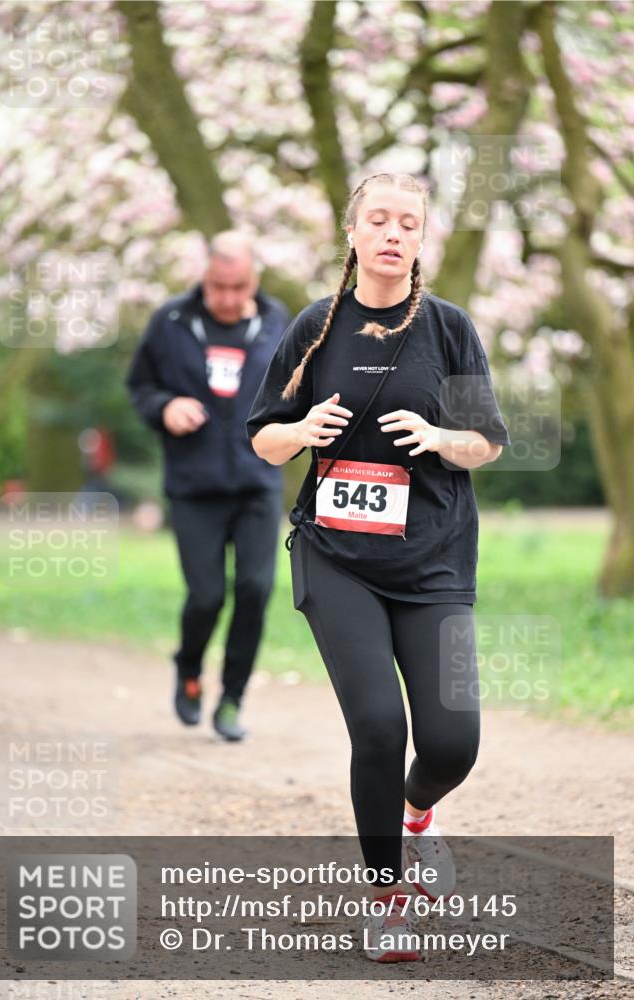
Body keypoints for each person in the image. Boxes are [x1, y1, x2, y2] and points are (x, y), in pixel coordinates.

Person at [247, 173, 510, 961]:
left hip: (432, 560)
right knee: (376, 725)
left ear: (420, 240)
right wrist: (302, 429)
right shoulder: (312, 329)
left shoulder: (448, 327)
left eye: (409, 223)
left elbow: (487, 440)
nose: (393, 234)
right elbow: (262, 437)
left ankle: (418, 815)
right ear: (353, 233)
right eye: (379, 220)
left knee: (451, 743)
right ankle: (388, 898)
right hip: (336, 558)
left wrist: (439, 437)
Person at [127, 232, 290, 741]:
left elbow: (298, 386)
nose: (227, 297)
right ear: (204, 277)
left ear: (253, 280)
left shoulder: (279, 322)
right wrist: (164, 407)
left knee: (256, 589)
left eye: (237, 287)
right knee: (205, 596)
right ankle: (189, 668)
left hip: (257, 481)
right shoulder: (171, 321)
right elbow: (140, 385)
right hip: (194, 486)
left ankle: (233, 699)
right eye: (218, 286)